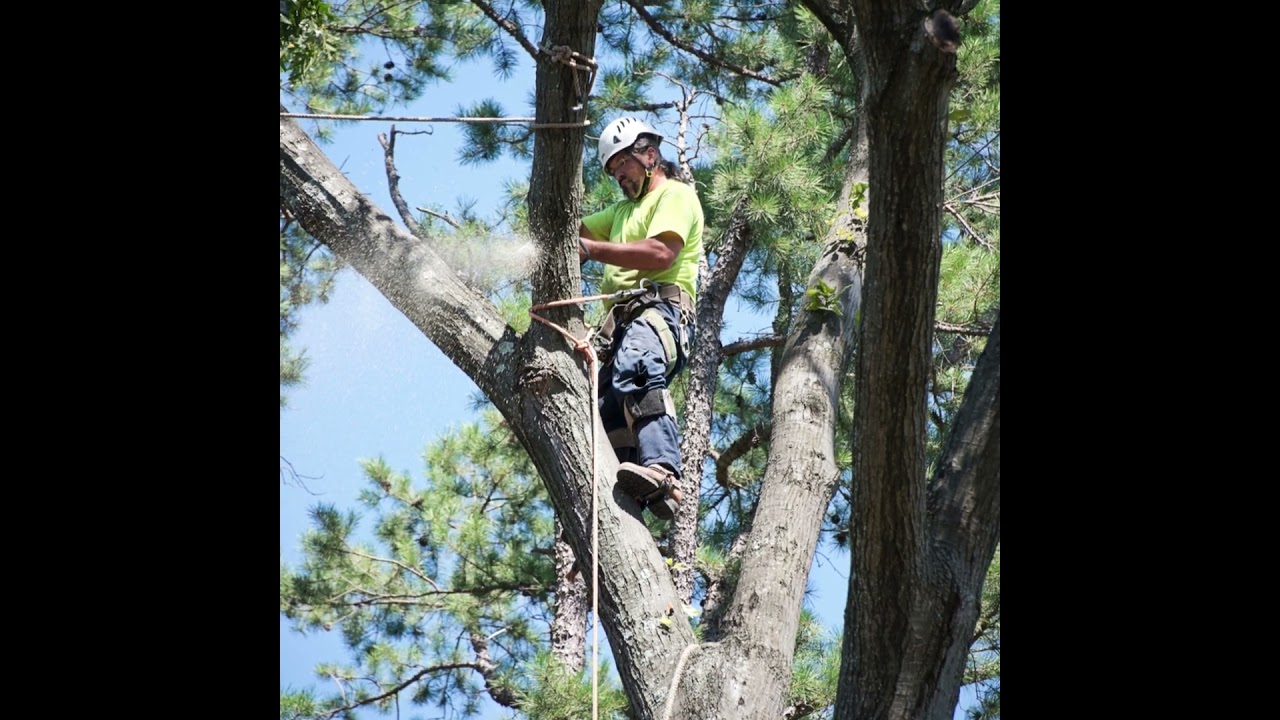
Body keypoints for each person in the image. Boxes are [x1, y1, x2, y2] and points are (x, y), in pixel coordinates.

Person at [578, 116, 704, 522]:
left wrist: (593, 250)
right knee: (601, 409)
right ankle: (620, 507)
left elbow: (661, 254)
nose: (619, 177)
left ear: (649, 154)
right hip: (618, 332)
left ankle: (664, 470)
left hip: (661, 313)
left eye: (623, 166)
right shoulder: (618, 213)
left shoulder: (675, 196)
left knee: (637, 364)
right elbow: (571, 231)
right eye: (613, 172)